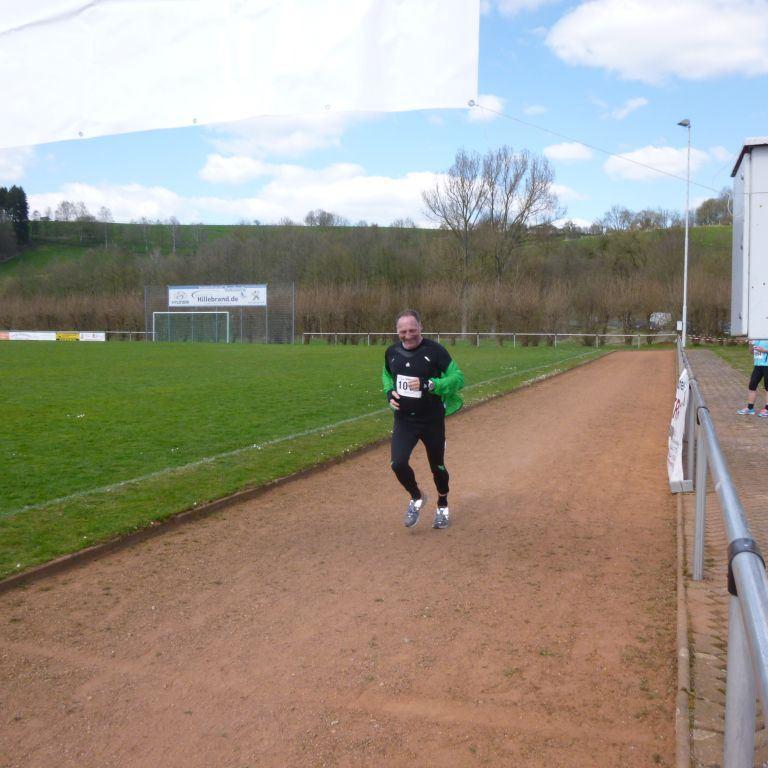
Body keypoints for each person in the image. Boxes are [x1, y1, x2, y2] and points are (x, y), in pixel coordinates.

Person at [381, 309, 464, 529]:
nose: (408, 335)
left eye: (412, 330)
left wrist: (432, 384)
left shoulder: (435, 351)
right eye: (403, 331)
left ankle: (442, 505)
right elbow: (387, 375)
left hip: (431, 420)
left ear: (421, 327)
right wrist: (389, 393)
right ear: (397, 331)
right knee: (398, 464)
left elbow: (458, 378)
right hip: (404, 421)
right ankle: (416, 497)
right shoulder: (391, 352)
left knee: (437, 466)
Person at [737, 338, 768, 416]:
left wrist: (764, 350)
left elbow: (763, 351)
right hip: (757, 365)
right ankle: (750, 408)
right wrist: (750, 344)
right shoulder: (756, 337)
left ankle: (767, 409)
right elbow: (751, 352)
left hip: (767, 365)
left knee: (767, 387)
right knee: (752, 386)